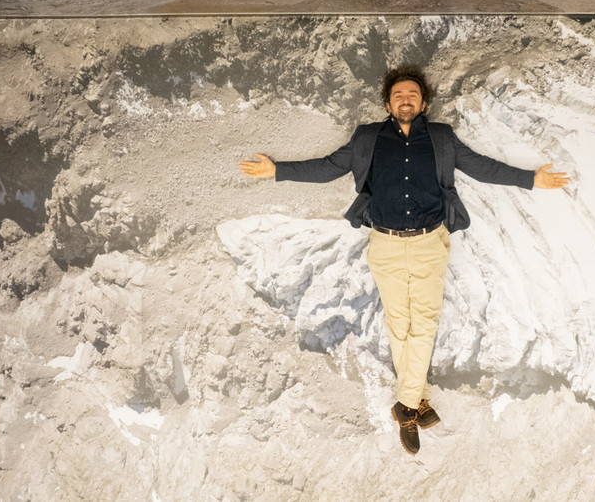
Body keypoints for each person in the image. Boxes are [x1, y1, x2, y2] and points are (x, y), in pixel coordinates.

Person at [239, 65, 570, 455]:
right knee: (399, 326)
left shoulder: (442, 138)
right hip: (386, 244)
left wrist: (531, 179)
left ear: (424, 103)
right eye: (398, 95)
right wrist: (277, 170)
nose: (406, 100)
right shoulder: (368, 139)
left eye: (413, 94)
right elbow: (328, 167)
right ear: (388, 104)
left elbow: (481, 166)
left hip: (430, 243)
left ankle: (407, 407)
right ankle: (418, 397)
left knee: (424, 325)